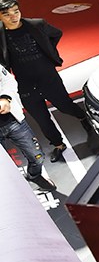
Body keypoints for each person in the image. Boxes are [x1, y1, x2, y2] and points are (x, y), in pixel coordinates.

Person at [0, 0, 96, 164]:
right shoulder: (0, 36)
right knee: (42, 119)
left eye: (16, 11)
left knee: (65, 106)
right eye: (7, 14)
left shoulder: (37, 24)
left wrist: (49, 52)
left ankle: (83, 117)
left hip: (48, 77)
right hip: (25, 84)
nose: (13, 17)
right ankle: (58, 145)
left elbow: (56, 34)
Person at [0, 63, 56, 191]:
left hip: (13, 121)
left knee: (37, 157)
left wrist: (5, 97)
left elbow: (7, 79)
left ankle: (34, 175)